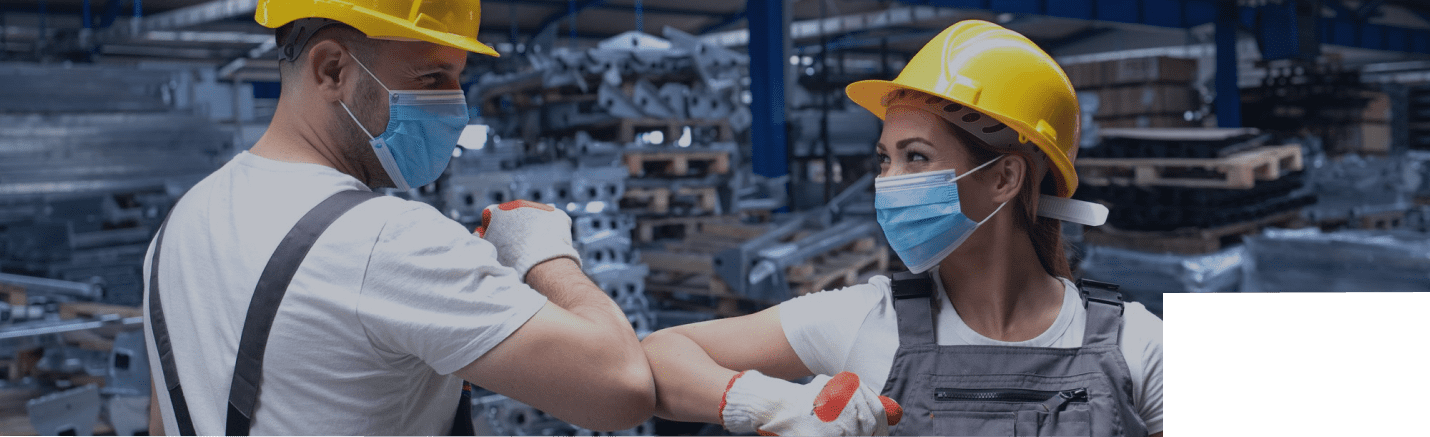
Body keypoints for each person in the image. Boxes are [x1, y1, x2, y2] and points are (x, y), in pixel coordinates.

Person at [142, 1, 654, 435]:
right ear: (331, 70)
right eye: (431, 76)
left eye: (456, 80)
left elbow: (164, 418)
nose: (456, 108)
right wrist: (545, 255)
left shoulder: (181, 223)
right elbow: (622, 390)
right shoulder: (386, 239)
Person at [642, 20, 1163, 436]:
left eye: (916, 157)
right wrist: (776, 404)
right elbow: (657, 355)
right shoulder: (862, 319)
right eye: (884, 159)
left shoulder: (1143, 341)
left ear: (1004, 177)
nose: (887, 182)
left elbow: (1242, 397)